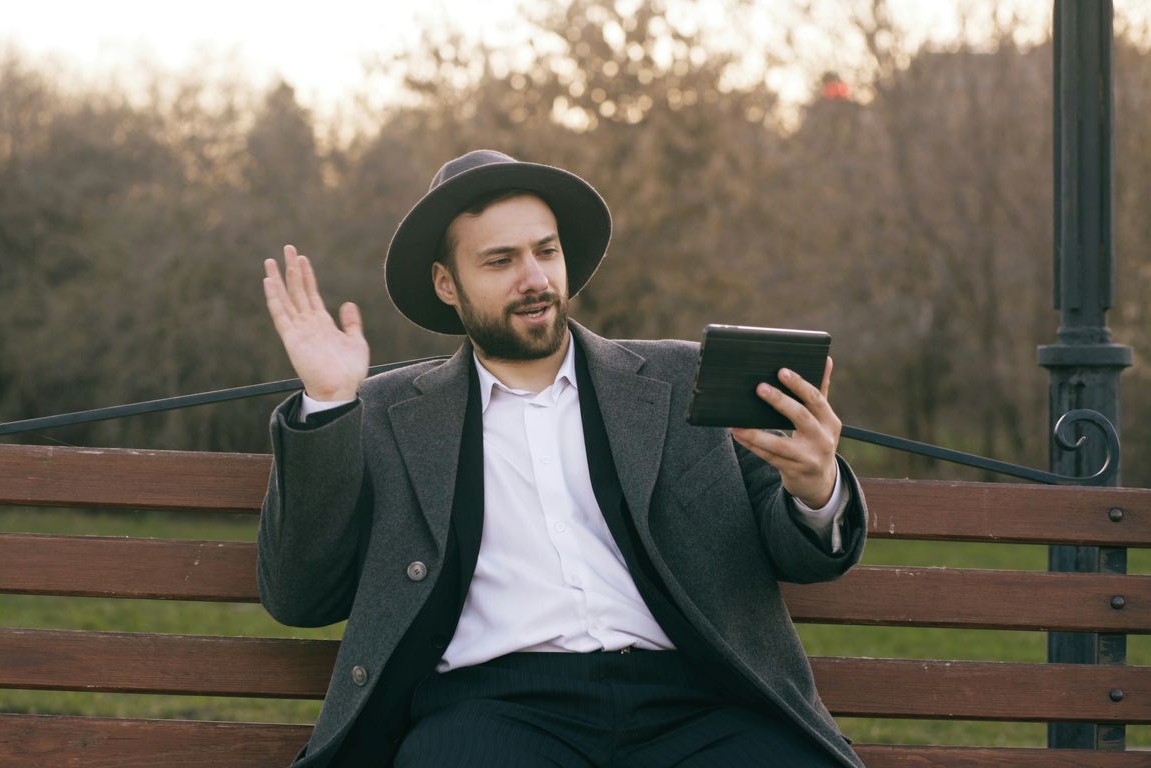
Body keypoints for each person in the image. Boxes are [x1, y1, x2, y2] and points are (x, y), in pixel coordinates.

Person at [258, 149, 867, 768]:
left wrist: (816, 490)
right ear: (447, 283)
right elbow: (301, 597)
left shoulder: (683, 380)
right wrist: (329, 404)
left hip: (697, 704)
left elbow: (801, 552)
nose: (535, 279)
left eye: (545, 252)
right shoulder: (385, 414)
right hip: (493, 712)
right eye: (500, 261)